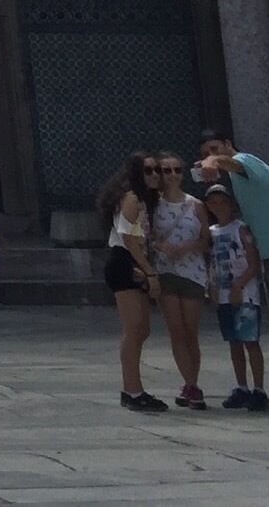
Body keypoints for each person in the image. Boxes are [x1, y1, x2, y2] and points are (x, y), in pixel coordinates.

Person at [196, 131, 269, 410]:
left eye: (214, 148)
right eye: (205, 153)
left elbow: (234, 163)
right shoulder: (238, 179)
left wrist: (214, 159)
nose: (209, 156)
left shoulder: (247, 162)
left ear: (228, 144)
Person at [100, 151, 166, 411]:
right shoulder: (131, 198)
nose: (154, 175)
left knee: (142, 329)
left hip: (134, 260)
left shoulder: (146, 200)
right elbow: (129, 239)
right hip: (124, 261)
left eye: (156, 170)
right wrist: (149, 272)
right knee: (133, 328)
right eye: (148, 171)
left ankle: (135, 387)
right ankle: (132, 390)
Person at [150, 150, 211, 408]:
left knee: (190, 330)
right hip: (166, 270)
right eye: (167, 170)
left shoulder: (195, 205)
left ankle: (193, 379)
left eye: (177, 170)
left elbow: (206, 239)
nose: (173, 175)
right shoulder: (153, 204)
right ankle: (190, 384)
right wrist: (161, 247)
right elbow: (145, 235)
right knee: (176, 330)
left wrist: (185, 248)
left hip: (192, 271)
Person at [204, 183, 268, 411]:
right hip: (222, 291)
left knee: (250, 341)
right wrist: (211, 286)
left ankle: (259, 388)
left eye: (222, 202)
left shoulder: (240, 229)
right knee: (233, 342)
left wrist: (238, 286)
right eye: (213, 203)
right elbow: (211, 262)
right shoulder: (212, 232)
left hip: (244, 292)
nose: (218, 206)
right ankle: (241, 386)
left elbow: (253, 263)